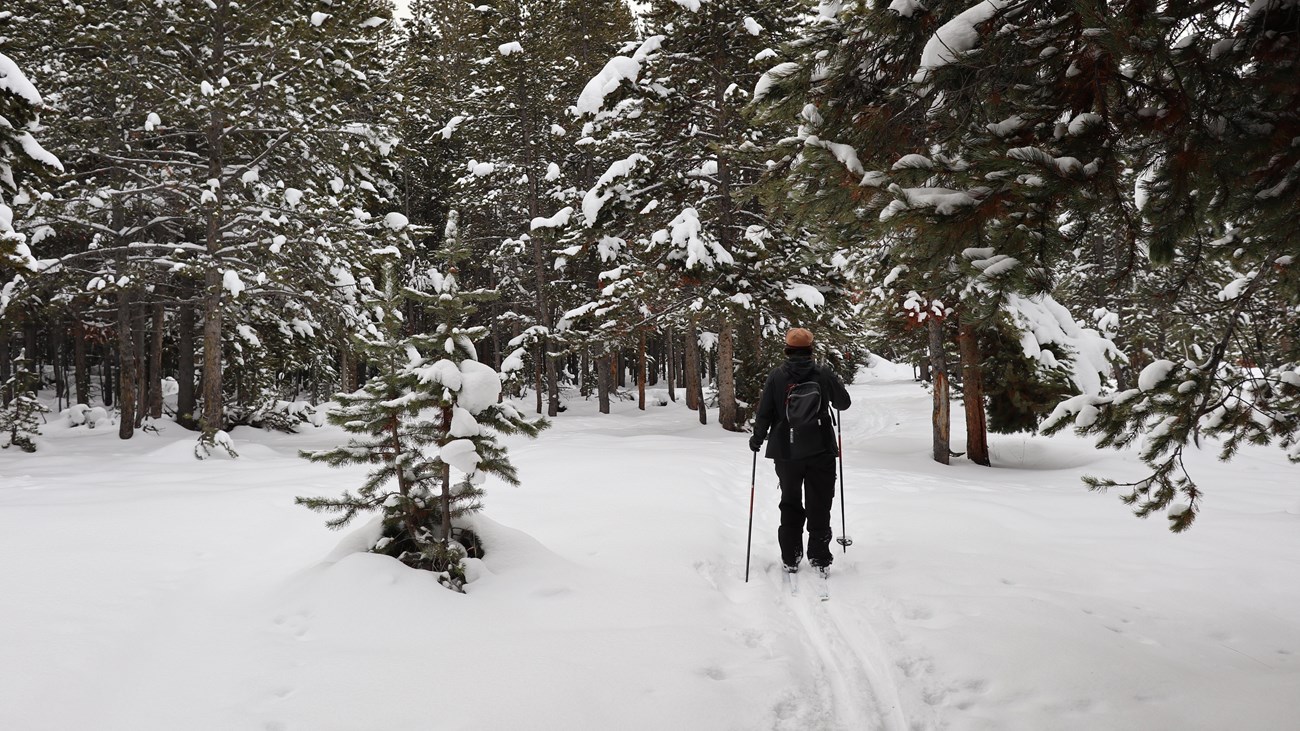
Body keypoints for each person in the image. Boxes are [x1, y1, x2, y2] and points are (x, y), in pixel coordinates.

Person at [749, 327, 851, 577]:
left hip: (786, 450)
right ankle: (819, 556)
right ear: (810, 349)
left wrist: (758, 437)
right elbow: (843, 403)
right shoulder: (823, 373)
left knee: (790, 502)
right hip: (820, 449)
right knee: (820, 503)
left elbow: (765, 411)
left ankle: (791, 557)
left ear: (788, 349)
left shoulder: (777, 376)